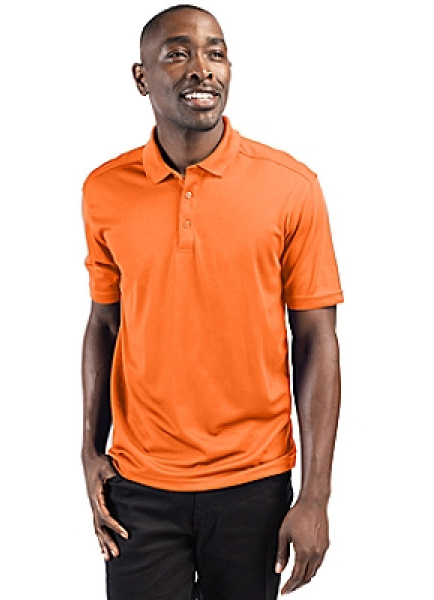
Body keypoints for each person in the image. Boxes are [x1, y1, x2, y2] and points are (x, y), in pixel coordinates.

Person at [81, 4, 343, 599]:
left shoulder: (291, 187)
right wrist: (88, 451)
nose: (202, 68)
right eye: (177, 54)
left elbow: (317, 338)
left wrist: (316, 494)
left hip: (255, 482)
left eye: (215, 53)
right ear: (141, 77)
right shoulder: (103, 190)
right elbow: (104, 322)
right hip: (139, 485)